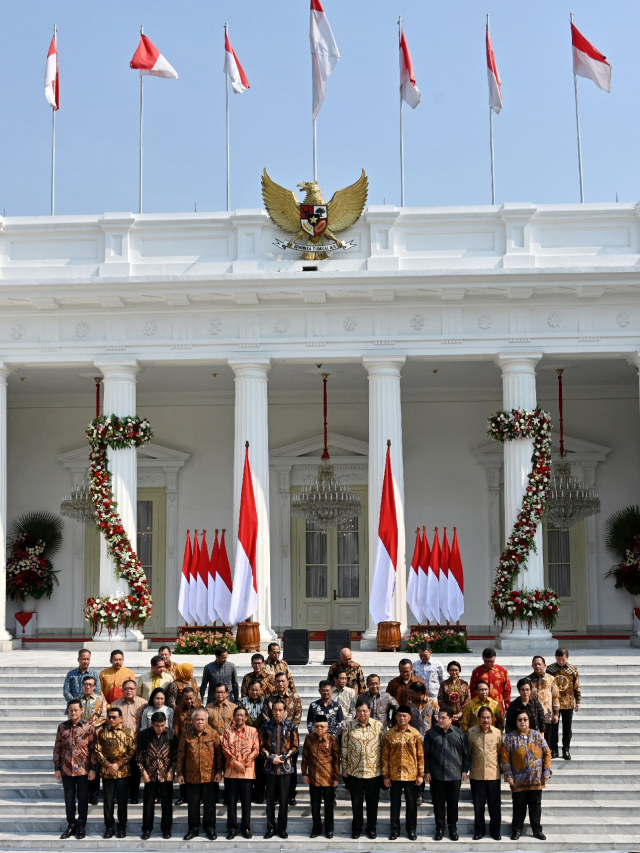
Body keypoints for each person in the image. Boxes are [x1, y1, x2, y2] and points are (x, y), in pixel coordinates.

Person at [501, 708, 552, 840]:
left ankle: (537, 830)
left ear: (529, 721)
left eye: (525, 719)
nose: (522, 722)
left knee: (535, 807)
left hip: (536, 779)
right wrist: (509, 775)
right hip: (518, 781)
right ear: (516, 722)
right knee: (519, 807)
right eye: (519, 720)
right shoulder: (510, 738)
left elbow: (547, 753)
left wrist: (546, 770)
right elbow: (505, 759)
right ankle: (517, 830)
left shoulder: (537, 736)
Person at [177, 707, 223, 840]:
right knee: (193, 804)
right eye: (197, 719)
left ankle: (210, 828)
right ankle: (193, 828)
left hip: (210, 775)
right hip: (191, 776)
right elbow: (181, 754)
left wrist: (219, 771)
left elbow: (219, 754)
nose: (200, 722)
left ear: (207, 720)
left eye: (202, 719)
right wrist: (179, 773)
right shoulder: (186, 734)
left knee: (210, 804)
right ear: (192, 721)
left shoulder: (213, 734)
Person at [53, 698, 97, 840]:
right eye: (71, 710)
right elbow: (57, 748)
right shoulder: (62, 727)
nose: (73, 712)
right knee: (69, 799)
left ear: (81, 711)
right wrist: (57, 768)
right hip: (66, 769)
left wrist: (93, 768)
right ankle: (71, 825)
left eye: (76, 710)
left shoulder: (89, 727)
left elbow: (93, 749)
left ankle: (81, 825)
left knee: (83, 799)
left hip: (83, 770)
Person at [423, 707, 469, 841]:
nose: (440, 720)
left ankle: (452, 828)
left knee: (453, 803)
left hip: (454, 775)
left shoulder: (460, 733)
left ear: (451, 719)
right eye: (439, 717)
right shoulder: (431, 734)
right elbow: (426, 755)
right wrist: (426, 771)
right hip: (436, 775)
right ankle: (439, 828)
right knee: (438, 803)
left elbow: (465, 754)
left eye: (443, 718)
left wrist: (465, 770)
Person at [341, 697, 384, 840]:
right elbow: (345, 747)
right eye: (359, 711)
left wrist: (385, 770)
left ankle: (371, 828)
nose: (362, 714)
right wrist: (345, 767)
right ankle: (357, 828)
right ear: (356, 712)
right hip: (355, 772)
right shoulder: (349, 726)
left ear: (369, 711)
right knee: (356, 803)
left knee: (373, 803)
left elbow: (384, 748)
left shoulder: (378, 726)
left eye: (365, 711)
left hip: (374, 772)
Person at [382, 705, 424, 841]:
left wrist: (420, 774)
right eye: (399, 715)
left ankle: (411, 830)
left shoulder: (415, 734)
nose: (402, 718)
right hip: (394, 775)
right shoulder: (389, 734)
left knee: (411, 804)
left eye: (404, 716)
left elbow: (420, 756)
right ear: (395, 717)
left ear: (409, 718)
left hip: (411, 774)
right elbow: (384, 757)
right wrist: (385, 775)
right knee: (395, 804)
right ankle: (394, 830)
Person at [95, 706, 137, 839]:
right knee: (107, 802)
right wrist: (108, 765)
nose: (111, 719)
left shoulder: (128, 732)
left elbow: (132, 751)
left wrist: (118, 764)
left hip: (123, 773)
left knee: (122, 801)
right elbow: (97, 750)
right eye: (109, 717)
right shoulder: (102, 732)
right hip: (107, 773)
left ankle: (122, 827)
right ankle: (109, 827)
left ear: (121, 719)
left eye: (114, 717)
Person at [260, 698, 299, 839]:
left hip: (285, 769)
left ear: (285, 711)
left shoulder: (291, 726)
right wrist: (271, 757)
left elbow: (295, 746)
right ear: (272, 711)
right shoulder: (265, 726)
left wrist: (283, 757)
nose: (277, 712)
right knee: (270, 801)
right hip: (270, 768)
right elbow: (261, 746)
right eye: (275, 710)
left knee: (283, 801)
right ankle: (270, 828)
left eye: (280, 710)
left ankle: (282, 829)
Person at [136, 710, 177, 840]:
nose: (160, 728)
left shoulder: (171, 734)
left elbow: (175, 755)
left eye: (163, 725)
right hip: (150, 775)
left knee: (166, 804)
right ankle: (147, 829)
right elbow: (138, 756)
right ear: (152, 724)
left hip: (166, 775)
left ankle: (166, 829)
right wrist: (143, 772)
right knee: (148, 804)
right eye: (158, 725)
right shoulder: (144, 735)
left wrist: (172, 770)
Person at [263, 672, 302, 805]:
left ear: (288, 682)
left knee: (291, 769)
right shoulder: (269, 698)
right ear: (274, 683)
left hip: (289, 740)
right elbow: (266, 716)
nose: (280, 683)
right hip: (272, 738)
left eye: (283, 681)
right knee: (273, 770)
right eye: (278, 681)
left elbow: (297, 717)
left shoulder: (295, 697)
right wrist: (274, 730)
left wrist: (289, 731)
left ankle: (290, 794)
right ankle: (275, 796)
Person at [222, 706, 260, 839]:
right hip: (231, 772)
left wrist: (244, 763)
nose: (239, 717)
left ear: (246, 717)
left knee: (246, 802)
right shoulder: (227, 732)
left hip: (247, 772)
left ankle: (246, 828)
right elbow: (225, 749)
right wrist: (236, 763)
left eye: (242, 715)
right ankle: (232, 828)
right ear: (234, 717)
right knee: (231, 802)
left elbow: (256, 749)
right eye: (237, 715)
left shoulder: (253, 731)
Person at [302, 714, 340, 839]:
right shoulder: (309, 738)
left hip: (328, 778)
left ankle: (329, 830)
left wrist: (336, 778)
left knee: (328, 807)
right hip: (313, 778)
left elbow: (336, 760)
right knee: (315, 806)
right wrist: (304, 773)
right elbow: (305, 758)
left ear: (327, 727)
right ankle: (316, 829)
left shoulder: (333, 739)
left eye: (322, 726)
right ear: (313, 726)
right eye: (317, 726)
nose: (319, 728)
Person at [467, 706, 502, 841]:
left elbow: (500, 753)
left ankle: (495, 831)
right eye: (483, 717)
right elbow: (469, 752)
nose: (485, 720)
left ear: (492, 719)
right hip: (477, 775)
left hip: (493, 775)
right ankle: (479, 831)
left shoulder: (497, 733)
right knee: (478, 806)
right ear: (478, 719)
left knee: (494, 806)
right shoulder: (471, 732)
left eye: (488, 717)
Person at [110, 678, 146, 805]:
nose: (129, 690)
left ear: (136, 690)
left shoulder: (143, 704)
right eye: (126, 688)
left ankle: (134, 796)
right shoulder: (115, 704)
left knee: (135, 772)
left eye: (131, 688)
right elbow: (110, 723)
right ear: (122, 690)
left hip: (136, 743)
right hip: (119, 744)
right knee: (120, 772)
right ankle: (118, 796)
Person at [546, 647, 581, 760]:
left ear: (567, 658)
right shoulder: (550, 669)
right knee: (553, 728)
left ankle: (566, 749)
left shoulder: (572, 670)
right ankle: (554, 749)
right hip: (554, 703)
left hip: (568, 703)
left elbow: (576, 686)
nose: (560, 662)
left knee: (567, 728)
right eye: (558, 659)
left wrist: (578, 701)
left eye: (563, 660)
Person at [79, 674, 106, 805]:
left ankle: (94, 796)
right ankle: (84, 793)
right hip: (80, 739)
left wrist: (89, 726)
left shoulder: (100, 700)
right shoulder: (77, 700)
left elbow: (104, 716)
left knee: (95, 765)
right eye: (86, 684)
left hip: (95, 736)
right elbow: (72, 715)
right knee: (83, 766)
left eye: (90, 685)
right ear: (82, 686)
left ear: (94, 686)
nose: (88, 687)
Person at [238, 680, 267, 804]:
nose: (254, 692)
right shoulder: (242, 702)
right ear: (248, 690)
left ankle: (259, 794)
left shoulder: (266, 702)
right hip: (245, 741)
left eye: (257, 690)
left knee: (260, 769)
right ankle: (246, 795)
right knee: (246, 768)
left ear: (261, 690)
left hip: (261, 740)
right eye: (252, 690)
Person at [172, 687, 201, 806]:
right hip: (183, 743)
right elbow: (176, 726)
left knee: (197, 770)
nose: (189, 701)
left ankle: (199, 797)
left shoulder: (200, 708)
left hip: (196, 742)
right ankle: (183, 796)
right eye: (186, 699)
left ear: (194, 696)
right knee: (182, 770)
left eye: (191, 698)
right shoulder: (178, 709)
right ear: (182, 698)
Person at [469, 647, 511, 714]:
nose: (489, 664)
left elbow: (507, 690)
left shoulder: (502, 671)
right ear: (483, 658)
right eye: (486, 662)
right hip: (481, 708)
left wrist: (507, 707)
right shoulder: (477, 671)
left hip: (497, 707)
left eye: (491, 661)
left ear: (495, 658)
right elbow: (473, 689)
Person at [528, 656, 560, 731]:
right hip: (533, 714)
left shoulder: (551, 679)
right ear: (532, 666)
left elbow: (555, 697)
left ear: (544, 665)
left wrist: (556, 714)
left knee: (547, 740)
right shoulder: (528, 680)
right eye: (535, 664)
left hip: (547, 715)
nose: (537, 666)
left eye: (539, 664)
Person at [437, 661, 470, 727]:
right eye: (451, 670)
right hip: (448, 716)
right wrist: (448, 714)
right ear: (448, 671)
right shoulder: (444, 684)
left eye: (456, 670)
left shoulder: (464, 684)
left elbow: (468, 699)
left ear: (459, 671)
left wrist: (460, 713)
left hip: (461, 715)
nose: (454, 672)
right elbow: (440, 699)